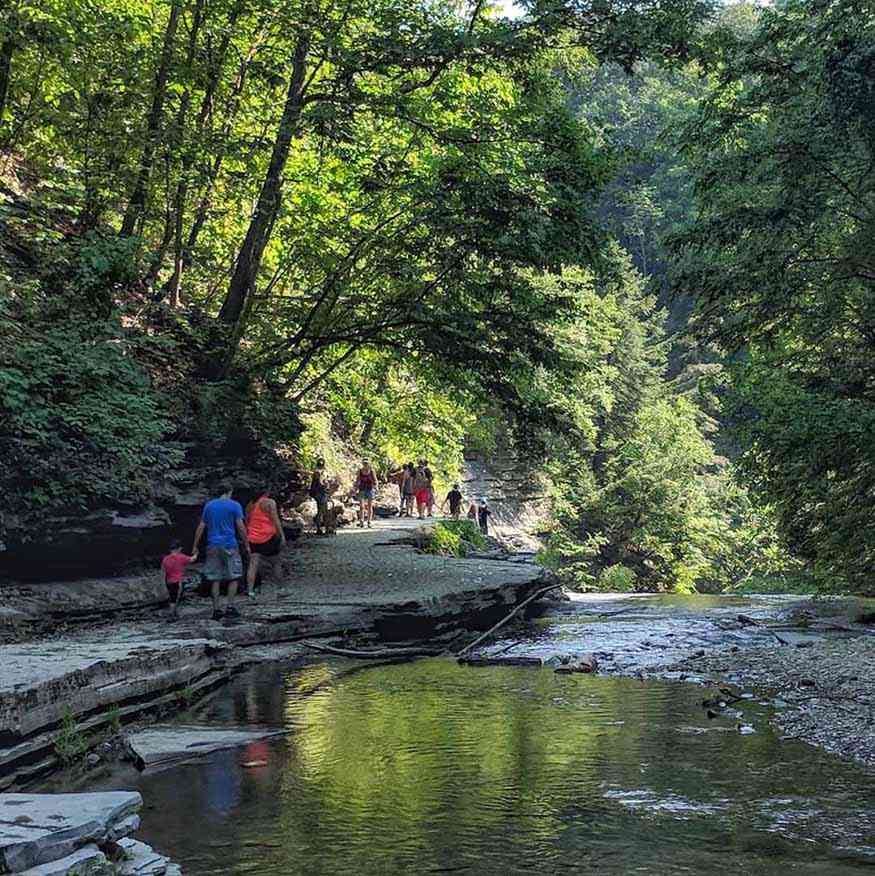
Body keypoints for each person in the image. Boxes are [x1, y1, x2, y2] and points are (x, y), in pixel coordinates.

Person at [192, 487, 249, 622]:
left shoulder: (209, 506)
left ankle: (216, 609)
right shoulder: (235, 505)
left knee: (215, 578)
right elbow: (240, 526)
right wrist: (246, 544)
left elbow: (201, 526)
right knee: (234, 576)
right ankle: (230, 607)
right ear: (229, 492)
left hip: (213, 545)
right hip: (230, 544)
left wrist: (195, 545)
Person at [245, 491, 286, 600]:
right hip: (268, 537)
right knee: (276, 563)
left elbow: (247, 520)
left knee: (253, 564)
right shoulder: (269, 502)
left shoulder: (251, 505)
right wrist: (281, 535)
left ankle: (250, 591)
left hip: (253, 537)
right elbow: (275, 519)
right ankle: (280, 589)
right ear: (267, 492)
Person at [161, 541, 197, 620]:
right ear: (179, 548)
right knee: (176, 598)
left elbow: (163, 570)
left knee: (172, 597)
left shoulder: (165, 558)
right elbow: (192, 559)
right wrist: (196, 553)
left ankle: (174, 613)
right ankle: (171, 615)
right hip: (178, 581)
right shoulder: (181, 557)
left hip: (168, 581)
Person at [354, 460, 378, 528]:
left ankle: (369, 521)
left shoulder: (371, 471)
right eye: (364, 463)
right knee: (362, 506)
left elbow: (375, 480)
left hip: (369, 489)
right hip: (362, 489)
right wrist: (355, 488)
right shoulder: (360, 471)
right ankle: (361, 521)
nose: (365, 465)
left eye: (366, 464)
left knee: (369, 506)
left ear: (368, 464)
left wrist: (376, 487)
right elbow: (357, 480)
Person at [309, 458, 330, 535]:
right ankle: (324, 529)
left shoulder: (316, 472)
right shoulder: (320, 473)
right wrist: (326, 485)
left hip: (318, 493)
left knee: (321, 511)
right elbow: (322, 483)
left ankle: (320, 529)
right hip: (321, 493)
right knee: (323, 511)